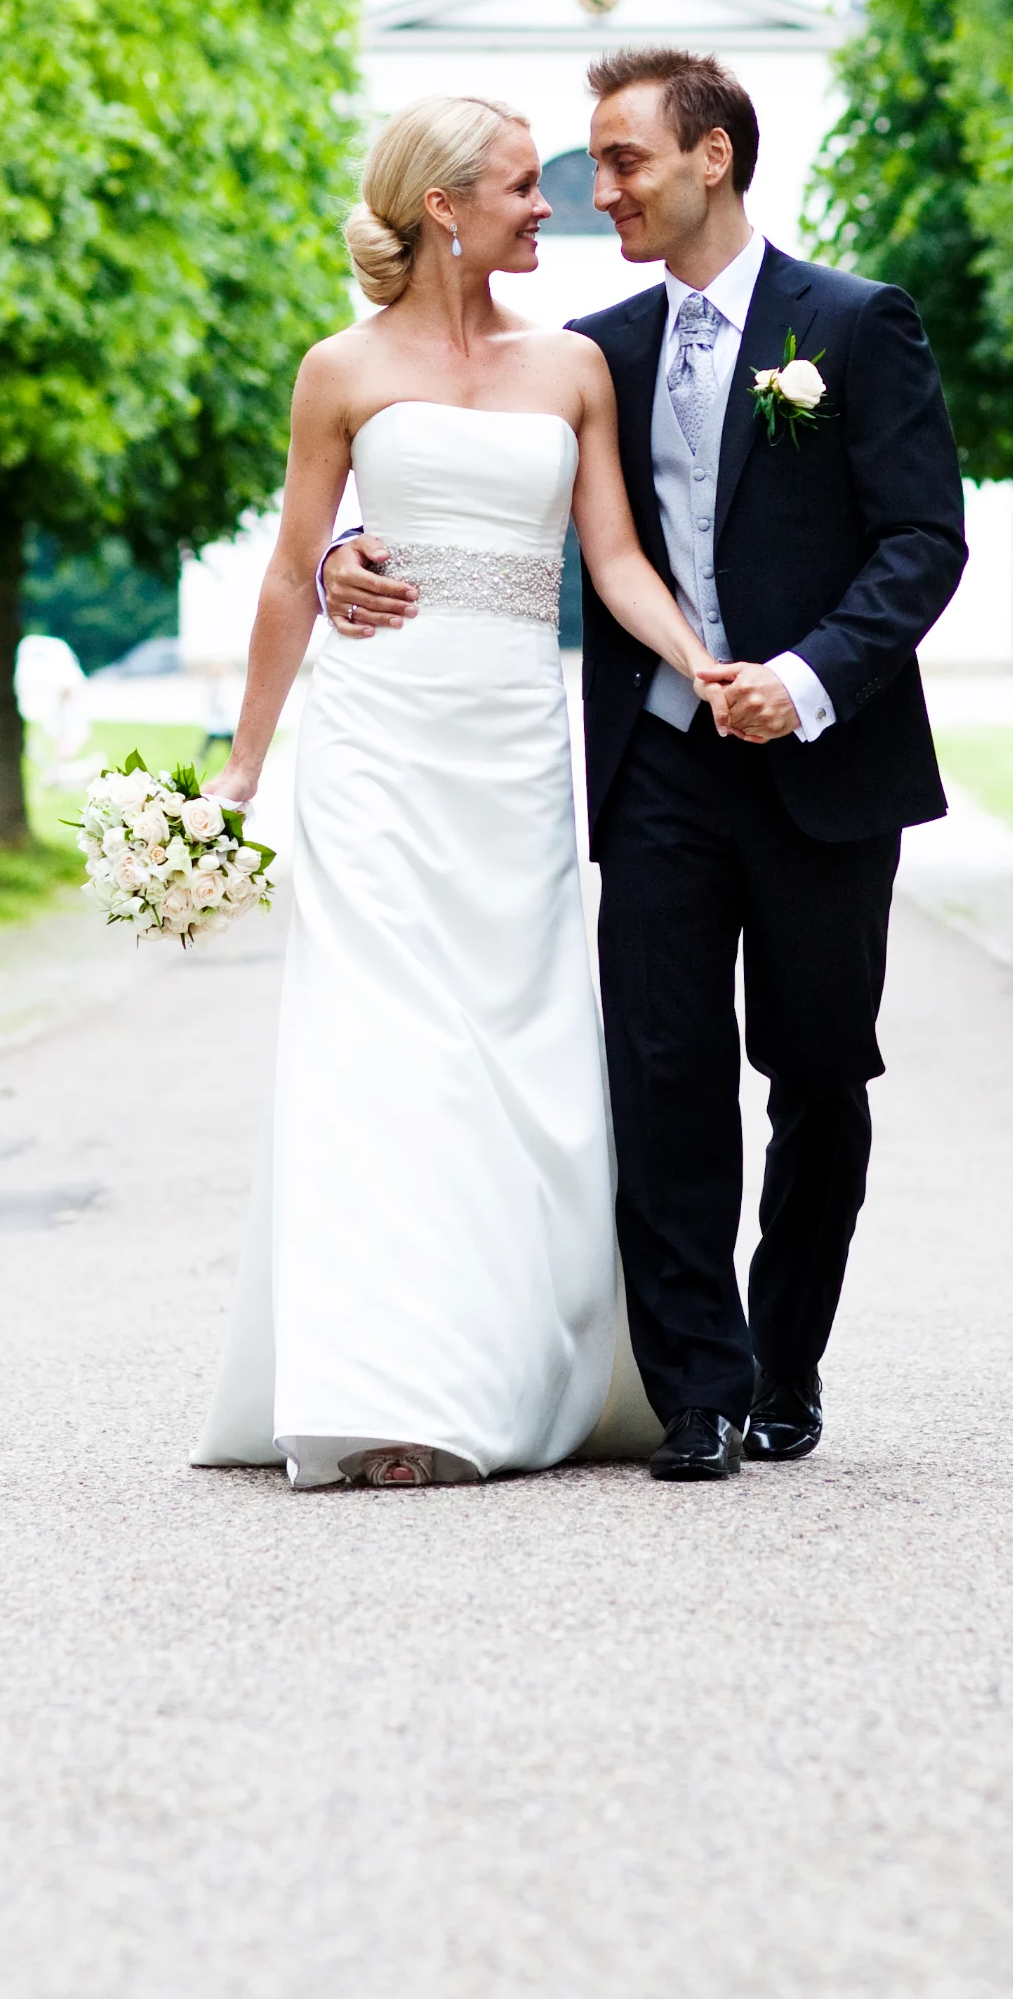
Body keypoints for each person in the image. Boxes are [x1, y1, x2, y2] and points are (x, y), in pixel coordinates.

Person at [323, 50, 967, 1480]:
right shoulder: (591, 349)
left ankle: (786, 1360)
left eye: (620, 163)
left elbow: (922, 542)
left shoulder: (854, 328)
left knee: (814, 1070)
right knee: (659, 1070)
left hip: (822, 764)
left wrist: (800, 684)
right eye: (586, 168)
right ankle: (699, 1387)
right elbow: (451, 456)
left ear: (713, 159)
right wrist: (339, 550)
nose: (592, 189)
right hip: (658, 769)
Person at [193, 94, 729, 1489]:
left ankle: (517, 1367)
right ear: (443, 206)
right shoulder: (339, 370)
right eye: (517, 185)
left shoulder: (571, 370)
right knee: (385, 1050)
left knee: (517, 1049)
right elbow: (288, 569)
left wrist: (707, 663)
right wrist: (239, 772)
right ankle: (390, 1387)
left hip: (508, 746)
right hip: (375, 742)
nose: (546, 201)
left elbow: (612, 562)